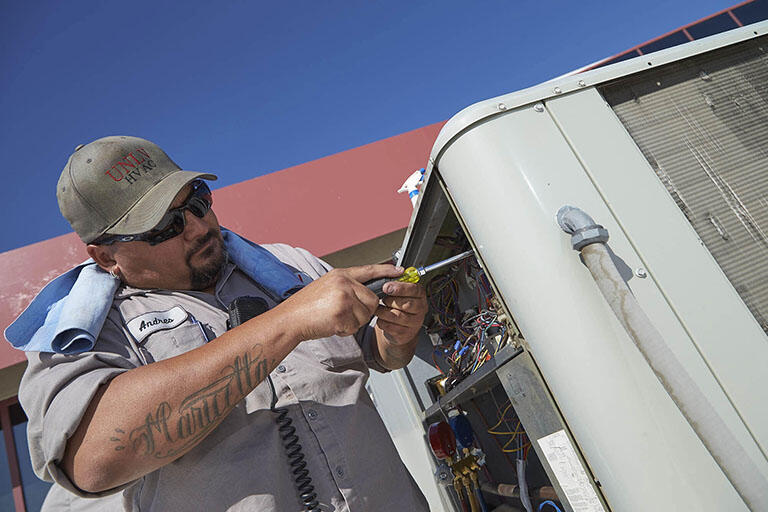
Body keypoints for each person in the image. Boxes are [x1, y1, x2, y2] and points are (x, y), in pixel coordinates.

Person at [16, 136, 430, 511]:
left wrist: (397, 332)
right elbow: (94, 461)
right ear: (107, 257)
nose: (198, 227)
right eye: (165, 226)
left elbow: (379, 352)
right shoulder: (82, 337)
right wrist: (288, 323)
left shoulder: (291, 265)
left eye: (197, 201)